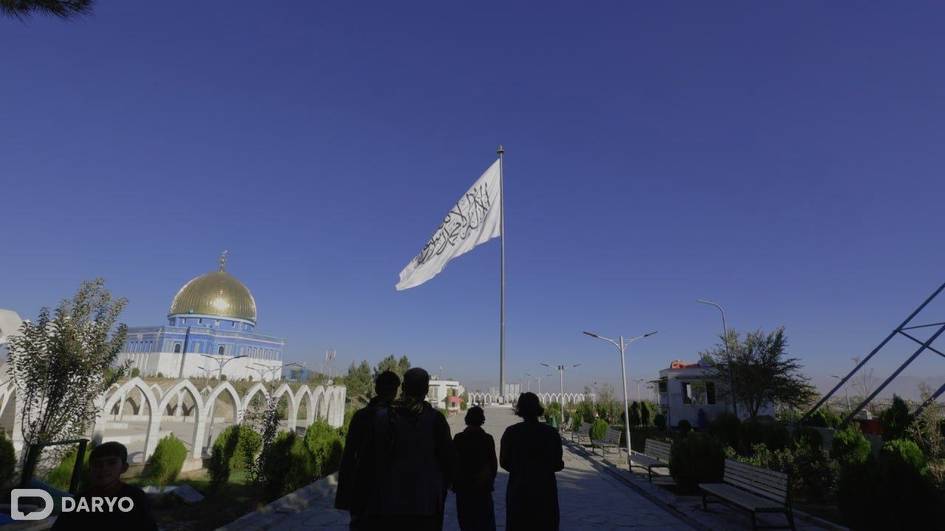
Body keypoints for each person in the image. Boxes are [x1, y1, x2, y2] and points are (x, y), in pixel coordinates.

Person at [364, 367, 454, 531]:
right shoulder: (435, 420)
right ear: (426, 390)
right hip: (425, 503)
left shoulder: (384, 415)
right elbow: (448, 459)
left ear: (403, 387)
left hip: (390, 501)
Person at [335, 370, 401, 529]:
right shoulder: (400, 418)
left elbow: (349, 455)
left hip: (363, 487)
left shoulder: (361, 416)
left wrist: (344, 497)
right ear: (395, 391)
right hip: (390, 492)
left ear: (377, 389)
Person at [51, 441, 157, 530]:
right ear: (90, 470)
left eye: (111, 463)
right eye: (97, 464)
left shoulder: (136, 498)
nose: (103, 468)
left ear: (124, 468)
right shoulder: (79, 501)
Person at [500, 392, 564, 531]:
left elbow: (504, 462)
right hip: (545, 493)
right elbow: (558, 464)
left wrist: (521, 468)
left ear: (520, 410)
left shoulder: (511, 432)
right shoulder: (551, 433)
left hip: (519, 492)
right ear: (538, 408)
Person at [452, 406, 497, 531]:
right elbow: (493, 465)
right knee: (484, 522)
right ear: (482, 419)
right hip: (482, 488)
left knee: (466, 522)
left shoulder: (459, 438)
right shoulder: (487, 439)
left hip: (464, 488)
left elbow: (453, 463)